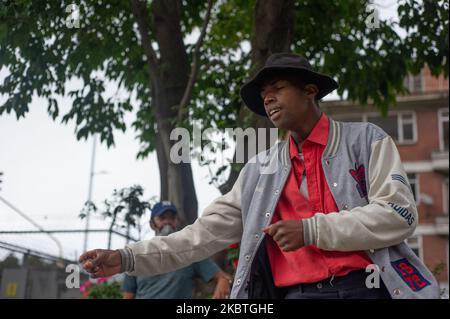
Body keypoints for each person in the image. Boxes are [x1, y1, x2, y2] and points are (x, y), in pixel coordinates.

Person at [80, 53, 440, 299]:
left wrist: (311, 229)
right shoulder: (258, 170)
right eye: (264, 96)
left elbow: (399, 215)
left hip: (370, 289)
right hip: (293, 294)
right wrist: (126, 258)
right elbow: (199, 236)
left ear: (310, 90)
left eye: (277, 89)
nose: (268, 100)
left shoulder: (367, 140)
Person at [121, 201, 232, 299]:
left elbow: (222, 277)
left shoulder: (190, 251)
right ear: (151, 224)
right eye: (162, 218)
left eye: (172, 218)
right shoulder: (137, 254)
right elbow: (128, 295)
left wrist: (223, 283)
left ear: (176, 222)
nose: (167, 222)